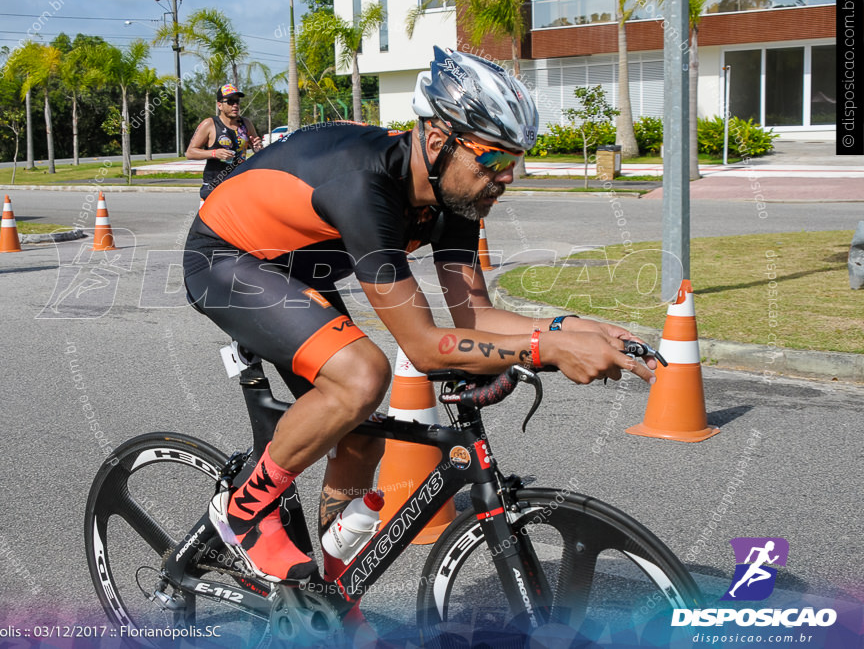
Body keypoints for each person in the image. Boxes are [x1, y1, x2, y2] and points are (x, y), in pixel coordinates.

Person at [183, 47, 658, 586]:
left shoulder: (454, 195)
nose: (506, 179)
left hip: (296, 270)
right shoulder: (365, 187)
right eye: (495, 161)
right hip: (226, 259)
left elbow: (474, 314)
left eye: (513, 163)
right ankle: (242, 512)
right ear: (438, 141)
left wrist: (572, 328)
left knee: (361, 435)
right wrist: (545, 350)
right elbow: (423, 346)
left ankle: (339, 596)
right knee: (363, 374)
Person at [184, 83, 262, 202]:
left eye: (237, 101)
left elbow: (257, 148)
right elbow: (190, 153)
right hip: (214, 185)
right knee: (207, 221)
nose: (235, 105)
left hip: (239, 184)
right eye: (230, 101)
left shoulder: (246, 123)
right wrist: (214, 153)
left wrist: (258, 149)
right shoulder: (209, 124)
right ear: (219, 105)